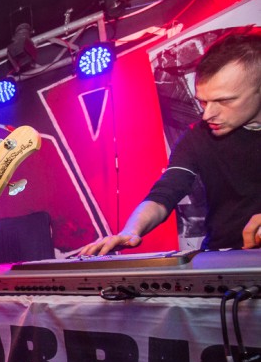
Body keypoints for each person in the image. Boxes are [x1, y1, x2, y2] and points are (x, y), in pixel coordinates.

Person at [78, 29, 261, 255]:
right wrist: (131, 230)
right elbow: (165, 193)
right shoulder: (197, 138)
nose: (207, 115)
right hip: (222, 257)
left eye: (224, 101)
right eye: (204, 102)